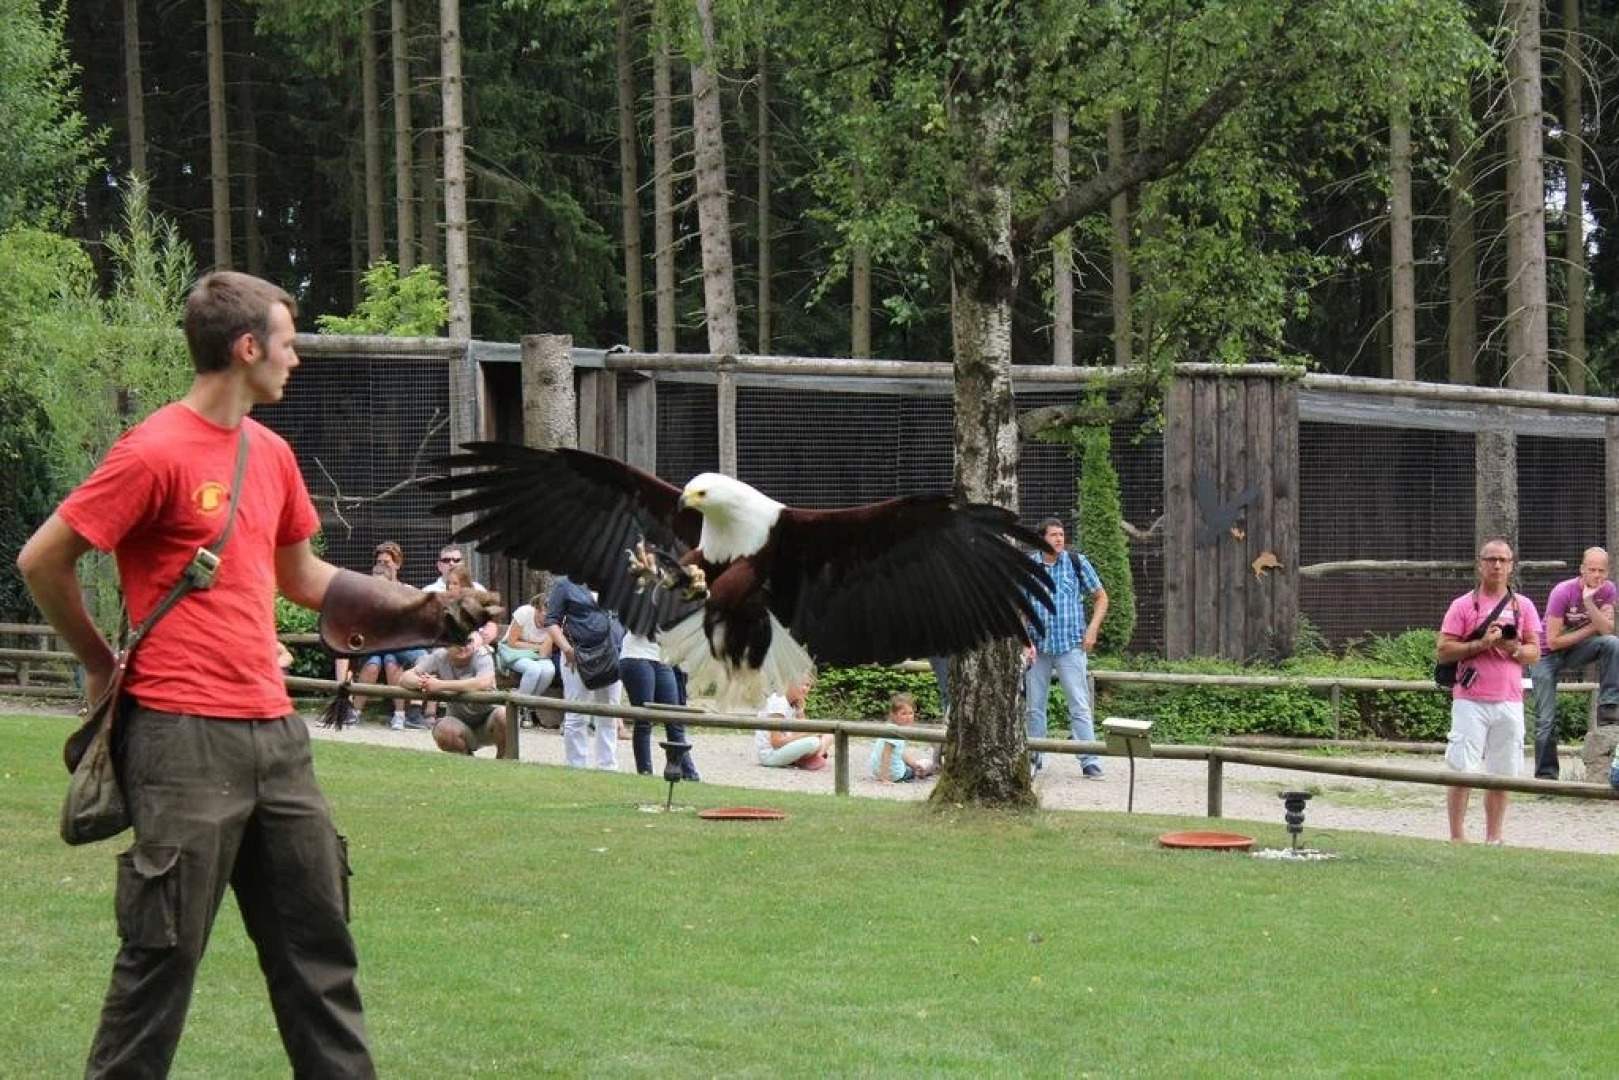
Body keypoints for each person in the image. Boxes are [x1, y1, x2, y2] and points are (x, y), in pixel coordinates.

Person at [14, 271, 385, 1076]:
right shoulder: (152, 452)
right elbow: (43, 559)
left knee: (321, 959)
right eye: (288, 343)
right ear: (247, 348)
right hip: (181, 738)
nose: (295, 359)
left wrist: (417, 606)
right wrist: (98, 663)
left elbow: (304, 579)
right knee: (161, 961)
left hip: (276, 735)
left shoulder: (272, 454)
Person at [1436, 538, 1542, 844]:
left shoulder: (1524, 606)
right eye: (1491, 559)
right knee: (1461, 769)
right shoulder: (1463, 605)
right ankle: (1457, 837)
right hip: (1470, 700)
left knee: (1502, 772)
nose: (1496, 565)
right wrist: (1482, 644)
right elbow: (1443, 651)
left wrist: (1514, 647)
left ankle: (1494, 838)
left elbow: (1535, 652)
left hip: (1509, 699)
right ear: (1480, 564)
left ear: (1511, 566)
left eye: (1502, 560)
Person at [1024, 517, 1109, 778]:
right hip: (1037, 647)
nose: (1059, 539)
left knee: (1079, 703)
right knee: (1034, 706)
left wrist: (1092, 628)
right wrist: (1024, 642)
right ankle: (1035, 757)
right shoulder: (1028, 566)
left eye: (1061, 534)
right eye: (1053, 535)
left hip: (1071, 645)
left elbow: (1101, 597)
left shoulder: (1076, 562)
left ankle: (1089, 760)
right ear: (1041, 539)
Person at [1528, 547, 1619, 780]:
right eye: (1592, 570)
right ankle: (1546, 778)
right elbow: (1554, 641)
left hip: (1574, 650)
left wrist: (1589, 603)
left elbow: (1608, 630)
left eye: (1601, 570)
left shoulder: (1608, 590)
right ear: (1582, 570)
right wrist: (1592, 626)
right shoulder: (1562, 592)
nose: (1597, 575)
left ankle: (1609, 705)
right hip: (1546, 655)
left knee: (1612, 643)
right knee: (1545, 719)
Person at [547, 575, 624, 769]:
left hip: (611, 655)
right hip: (577, 656)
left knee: (609, 711)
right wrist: (567, 650)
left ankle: (607, 767)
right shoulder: (564, 583)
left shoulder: (614, 580)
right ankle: (576, 766)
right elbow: (551, 621)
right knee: (576, 713)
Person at [398, 635, 508, 756]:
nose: (463, 646)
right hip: (458, 721)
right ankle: (466, 764)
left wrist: (440, 685)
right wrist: (424, 683)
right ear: (445, 646)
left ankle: (503, 762)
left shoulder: (482, 654)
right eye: (457, 643)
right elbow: (404, 678)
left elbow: (483, 682)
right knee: (444, 730)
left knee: (504, 715)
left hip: (490, 721)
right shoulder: (439, 656)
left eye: (468, 642)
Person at [620, 629, 699, 780]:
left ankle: (689, 774)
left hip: (662, 658)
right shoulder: (638, 604)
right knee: (644, 720)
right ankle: (645, 774)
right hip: (637, 655)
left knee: (674, 720)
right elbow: (638, 625)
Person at [500, 592, 558, 724]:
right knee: (534, 669)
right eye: (545, 614)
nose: (548, 618)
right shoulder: (524, 613)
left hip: (536, 655)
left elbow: (544, 653)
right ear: (537, 610)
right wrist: (536, 646)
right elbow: (512, 643)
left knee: (549, 671)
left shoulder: (554, 621)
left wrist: (550, 631)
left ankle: (522, 703)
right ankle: (520, 708)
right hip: (514, 652)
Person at [755, 674, 831, 769]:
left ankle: (811, 757)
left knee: (829, 734)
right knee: (813, 742)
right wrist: (808, 734)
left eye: (807, 685)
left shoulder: (794, 702)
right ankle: (809, 758)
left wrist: (800, 711)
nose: (804, 688)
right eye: (800, 684)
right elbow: (776, 742)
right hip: (770, 755)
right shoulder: (779, 701)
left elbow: (803, 728)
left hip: (784, 748)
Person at [869, 692, 934, 784]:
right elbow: (885, 755)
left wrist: (913, 764)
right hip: (893, 774)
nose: (908, 717)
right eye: (903, 714)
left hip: (877, 771)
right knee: (924, 765)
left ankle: (916, 767)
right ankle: (919, 771)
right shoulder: (895, 732)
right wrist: (885, 779)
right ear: (893, 715)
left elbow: (900, 752)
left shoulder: (889, 727)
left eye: (911, 713)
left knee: (913, 765)